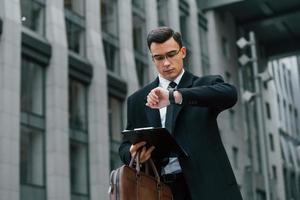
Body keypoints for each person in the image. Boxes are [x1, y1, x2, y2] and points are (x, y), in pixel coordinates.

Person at [119, 26, 243, 200]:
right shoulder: (137, 100)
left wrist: (175, 96)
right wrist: (132, 152)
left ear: (183, 52)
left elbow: (229, 94)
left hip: (207, 188)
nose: (166, 63)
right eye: (159, 58)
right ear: (152, 59)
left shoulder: (204, 85)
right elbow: (124, 146)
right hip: (160, 190)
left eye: (171, 54)